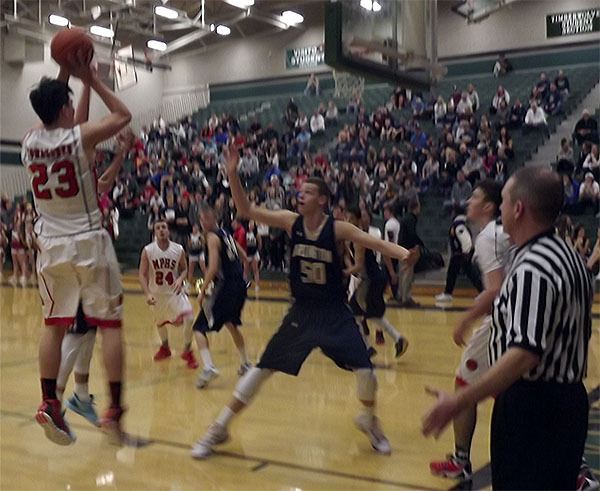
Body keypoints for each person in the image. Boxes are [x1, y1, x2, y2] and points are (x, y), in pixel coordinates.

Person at [191, 142, 413, 459]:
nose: (301, 194)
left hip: (334, 312)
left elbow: (372, 242)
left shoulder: (337, 228)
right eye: (301, 190)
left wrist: (405, 254)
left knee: (367, 371)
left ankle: (369, 420)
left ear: (322, 199)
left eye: (308, 192)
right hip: (302, 313)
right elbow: (247, 211)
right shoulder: (289, 221)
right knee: (263, 368)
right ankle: (219, 427)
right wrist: (232, 175)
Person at [423, 167, 593, 490]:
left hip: (533, 410)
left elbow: (524, 354)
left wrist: (459, 401)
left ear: (518, 209)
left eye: (502, 202)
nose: (500, 210)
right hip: (569, 402)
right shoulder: (569, 257)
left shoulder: (533, 268)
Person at [24, 57, 130, 445]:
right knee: (111, 325)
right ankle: (115, 411)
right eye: (69, 103)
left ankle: (50, 400)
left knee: (53, 326)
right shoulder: (79, 139)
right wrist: (93, 80)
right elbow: (123, 114)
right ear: (64, 108)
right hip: (87, 241)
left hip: (50, 245)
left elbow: (62, 116)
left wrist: (68, 78)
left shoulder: (31, 141)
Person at [430, 180, 511, 481]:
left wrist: (465, 319)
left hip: (503, 320)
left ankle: (461, 461)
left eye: (475, 196)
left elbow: (495, 291)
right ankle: (576, 469)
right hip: (513, 319)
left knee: (466, 382)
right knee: (517, 392)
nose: (469, 199)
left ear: (488, 206)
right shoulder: (499, 234)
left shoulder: (489, 236)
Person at [57, 130, 134, 428]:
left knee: (87, 332)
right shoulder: (73, 181)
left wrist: (119, 155)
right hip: (80, 261)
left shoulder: (85, 182)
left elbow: (104, 183)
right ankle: (56, 398)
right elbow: (101, 182)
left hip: (82, 258)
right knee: (78, 333)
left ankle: (81, 395)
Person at [193, 203, 251, 389]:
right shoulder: (226, 233)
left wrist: (202, 292)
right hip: (239, 285)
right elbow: (244, 256)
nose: (203, 223)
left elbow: (212, 268)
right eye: (201, 220)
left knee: (199, 328)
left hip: (226, 286)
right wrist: (243, 276)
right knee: (230, 324)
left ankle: (209, 367)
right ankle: (245, 364)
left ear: (214, 218)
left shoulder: (212, 237)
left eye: (206, 219)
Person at [346, 207, 409, 358]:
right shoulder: (361, 236)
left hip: (371, 280)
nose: (347, 222)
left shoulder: (358, 239)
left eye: (351, 219)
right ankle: (396, 339)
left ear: (359, 220)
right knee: (368, 314)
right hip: (375, 278)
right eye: (346, 219)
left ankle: (367, 348)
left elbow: (359, 266)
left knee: (355, 312)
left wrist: (344, 271)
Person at [139, 219, 199, 369]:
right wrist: (147, 294)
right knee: (160, 323)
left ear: (168, 230)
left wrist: (180, 279)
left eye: (163, 227)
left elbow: (185, 269)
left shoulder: (178, 249)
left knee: (190, 318)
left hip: (174, 293)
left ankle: (187, 351)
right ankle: (165, 348)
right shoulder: (148, 250)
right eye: (158, 228)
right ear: (154, 232)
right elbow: (142, 274)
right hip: (157, 293)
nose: (161, 230)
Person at [435, 207, 483, 303]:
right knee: (468, 273)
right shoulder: (461, 224)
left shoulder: (458, 225)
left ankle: (448, 293)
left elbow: (466, 239)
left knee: (466, 273)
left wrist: (466, 252)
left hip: (460, 254)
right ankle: (448, 293)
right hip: (461, 254)